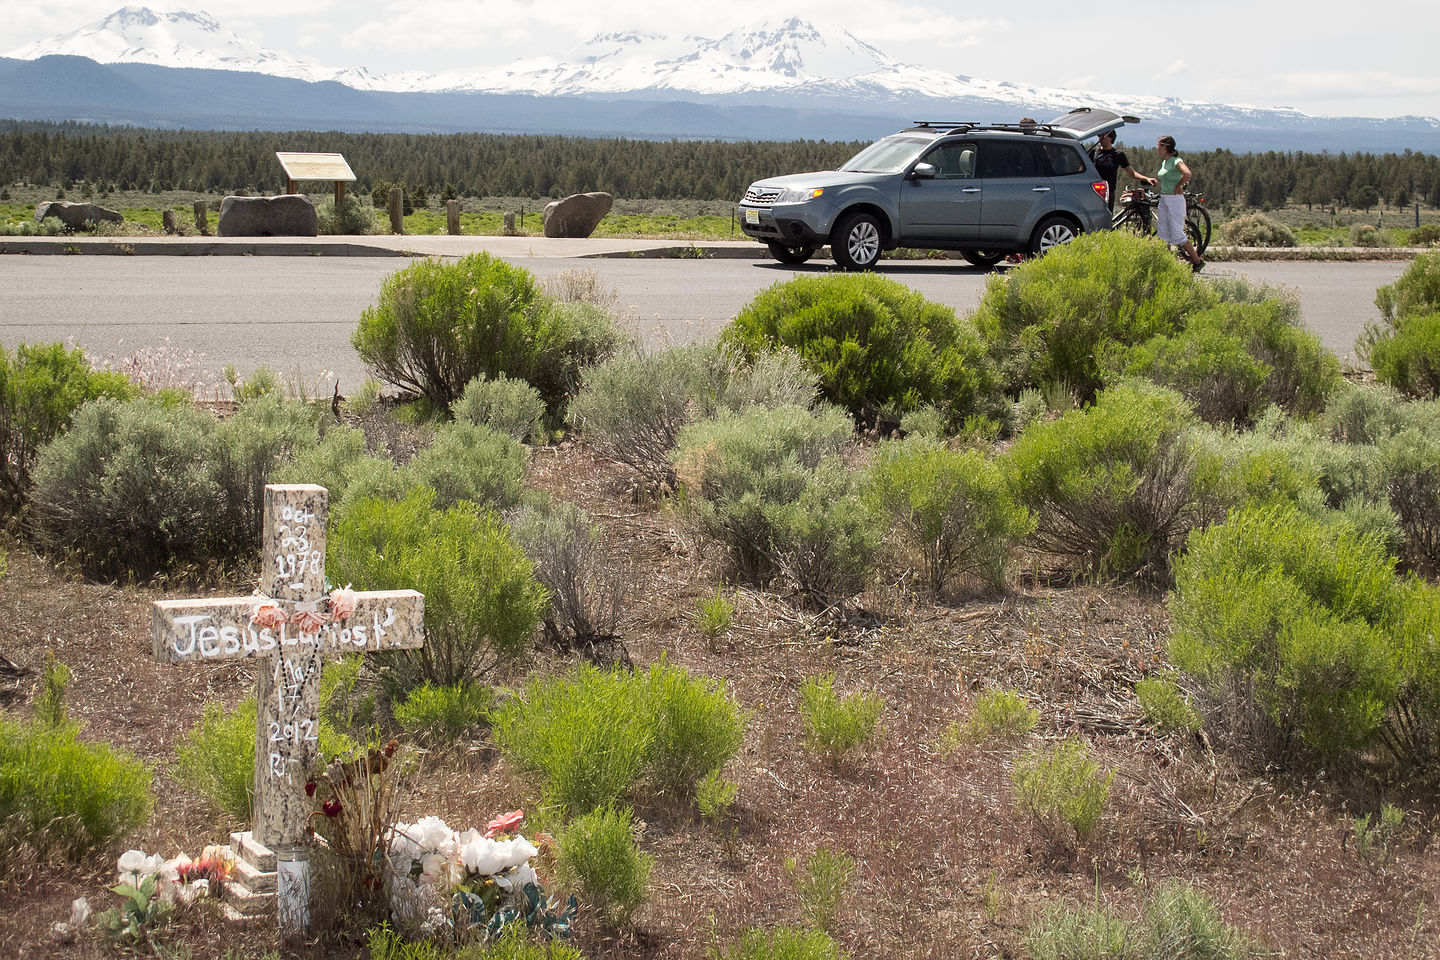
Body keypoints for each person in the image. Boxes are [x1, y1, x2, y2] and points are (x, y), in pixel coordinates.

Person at [1148, 135, 1204, 272]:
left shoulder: (1176, 161)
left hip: (1175, 200)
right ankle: (1167, 264)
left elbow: (1187, 174)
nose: (1157, 148)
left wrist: (1179, 186)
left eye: (1159, 146)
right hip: (1165, 199)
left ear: (1166, 147)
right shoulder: (1165, 162)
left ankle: (1196, 261)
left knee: (1177, 233)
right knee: (1163, 233)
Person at [1088, 130, 1145, 211]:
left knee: (1106, 218)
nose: (1100, 138)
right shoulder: (1093, 152)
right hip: (1092, 191)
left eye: (1102, 136)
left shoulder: (1118, 154)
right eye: (1099, 136)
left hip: (1108, 193)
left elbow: (1131, 173)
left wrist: (1146, 179)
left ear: (1110, 137)